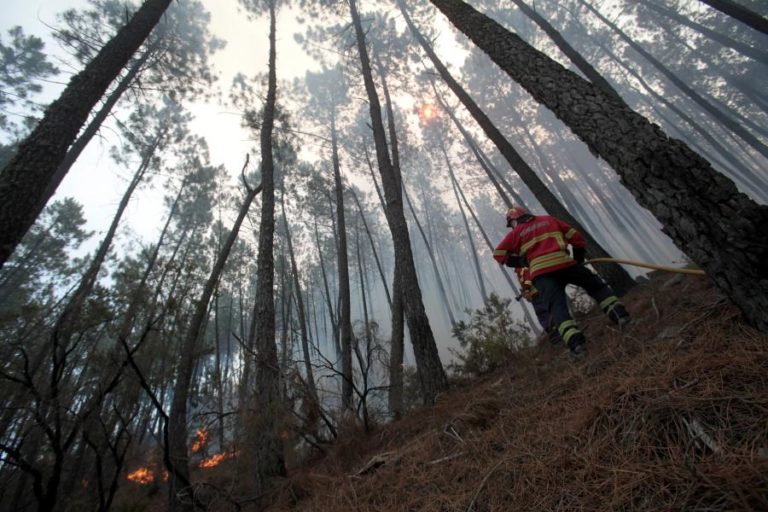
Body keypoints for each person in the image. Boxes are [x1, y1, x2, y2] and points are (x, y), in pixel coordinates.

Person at [494, 206, 630, 358]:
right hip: (565, 264)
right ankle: (620, 315)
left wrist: (521, 260)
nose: (512, 227)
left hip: (541, 274)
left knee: (557, 308)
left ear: (515, 220)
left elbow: (498, 254)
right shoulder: (549, 220)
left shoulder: (516, 233)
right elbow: (576, 237)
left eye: (511, 223)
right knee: (596, 287)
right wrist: (577, 260)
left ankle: (577, 345)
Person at [515, 266, 562, 345]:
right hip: (536, 296)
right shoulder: (520, 270)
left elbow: (528, 279)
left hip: (537, 296)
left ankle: (556, 335)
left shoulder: (522, 269)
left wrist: (526, 290)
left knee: (544, 315)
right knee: (545, 314)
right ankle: (556, 332)